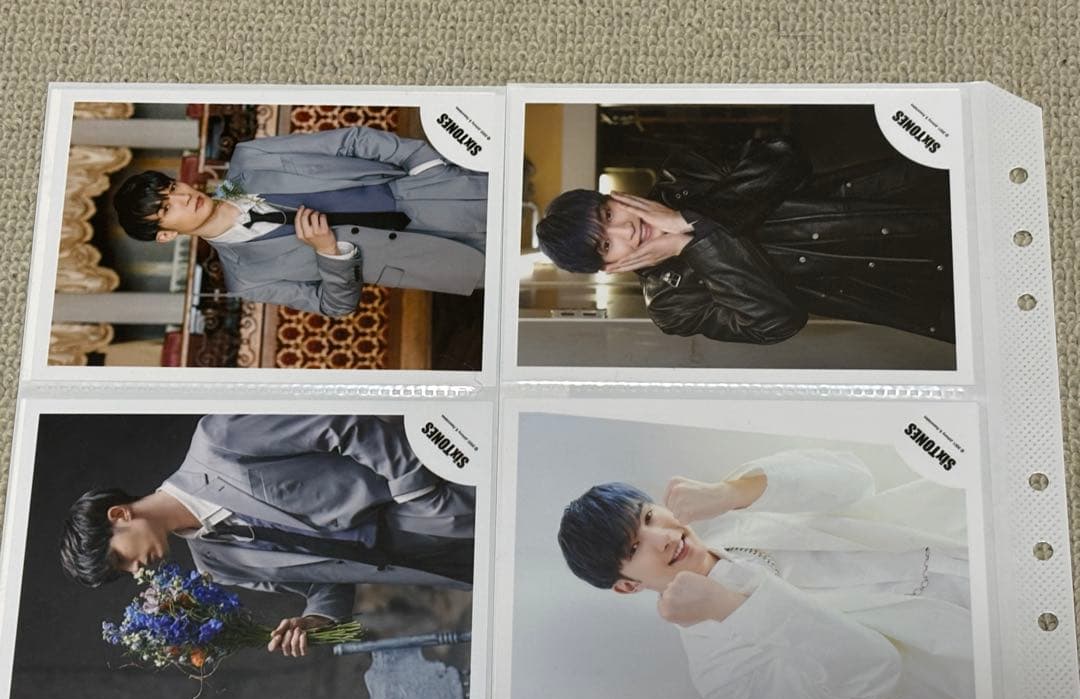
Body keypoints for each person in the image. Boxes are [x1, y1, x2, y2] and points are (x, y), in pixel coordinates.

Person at [557, 448, 975, 699]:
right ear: (627, 585)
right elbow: (876, 671)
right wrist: (733, 609)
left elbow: (855, 479)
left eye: (649, 517)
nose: (663, 538)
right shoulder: (720, 673)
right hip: (970, 648)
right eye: (634, 548)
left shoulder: (726, 509)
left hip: (965, 528)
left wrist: (732, 492)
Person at [60, 414, 475, 657]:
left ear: (120, 515)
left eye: (120, 559)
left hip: (442, 492)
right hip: (434, 570)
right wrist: (316, 619)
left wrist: (416, 489)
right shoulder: (216, 566)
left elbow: (339, 425)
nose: (136, 571)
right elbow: (323, 580)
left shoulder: (218, 441)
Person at [536, 137, 955, 344]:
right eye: (606, 245)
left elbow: (784, 154)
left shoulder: (684, 172)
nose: (626, 231)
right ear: (609, 267)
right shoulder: (671, 306)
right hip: (910, 289)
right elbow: (778, 322)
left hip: (904, 203)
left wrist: (687, 218)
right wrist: (692, 243)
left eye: (609, 216)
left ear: (614, 197)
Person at [114, 125, 487, 316]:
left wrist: (422, 162)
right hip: (440, 261)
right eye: (166, 208)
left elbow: (350, 141)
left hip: (442, 192)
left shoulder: (251, 157)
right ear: (165, 235)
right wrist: (329, 254)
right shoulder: (247, 280)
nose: (183, 197)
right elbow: (335, 306)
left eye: (172, 187)